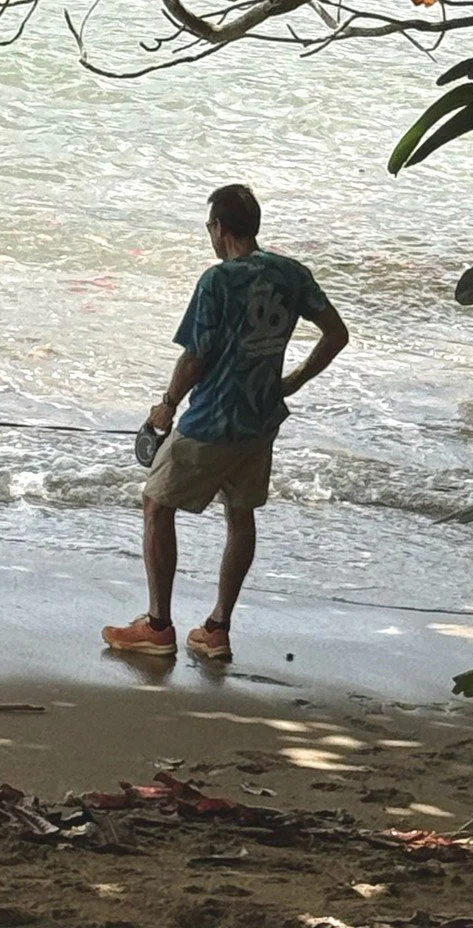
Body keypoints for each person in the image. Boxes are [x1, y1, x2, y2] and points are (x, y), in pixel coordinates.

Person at [102, 183, 348, 663]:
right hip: (261, 418)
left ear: (219, 228)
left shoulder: (218, 281)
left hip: (213, 418)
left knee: (155, 504)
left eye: (210, 227)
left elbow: (196, 355)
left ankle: (157, 624)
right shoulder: (292, 274)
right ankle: (217, 628)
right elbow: (336, 334)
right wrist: (293, 380)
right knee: (240, 513)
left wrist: (167, 405)